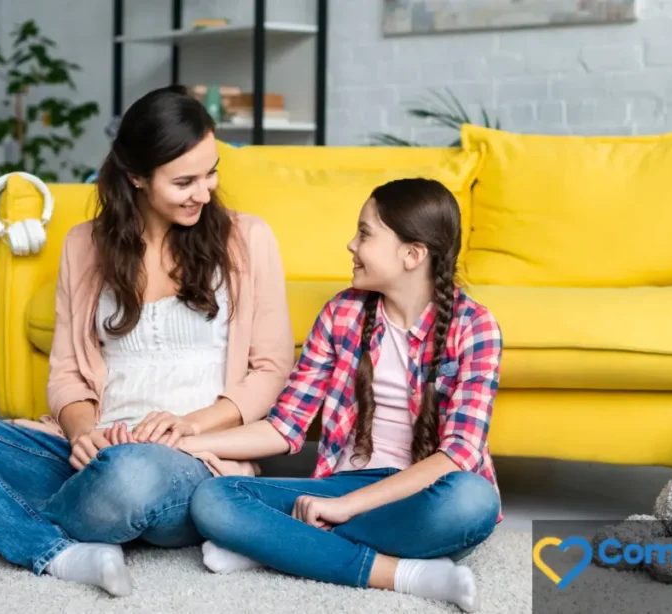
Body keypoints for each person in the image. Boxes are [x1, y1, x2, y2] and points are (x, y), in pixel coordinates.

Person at [0, 86, 294, 597]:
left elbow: (270, 369)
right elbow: (67, 372)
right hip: (85, 456)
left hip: (182, 461)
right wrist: (84, 432)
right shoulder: (84, 245)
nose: (204, 191)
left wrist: (189, 424)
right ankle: (50, 540)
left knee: (128, 476)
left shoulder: (247, 239)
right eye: (184, 181)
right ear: (136, 177)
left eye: (211, 172)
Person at [177, 177, 503, 613]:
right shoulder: (341, 312)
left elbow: (459, 455)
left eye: (365, 234)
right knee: (214, 500)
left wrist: (346, 507)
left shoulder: (475, 327)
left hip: (420, 495)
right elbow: (285, 426)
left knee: (474, 501)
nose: (351, 245)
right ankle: (402, 573)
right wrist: (185, 442)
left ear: (413, 254)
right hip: (344, 482)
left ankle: (276, 546)